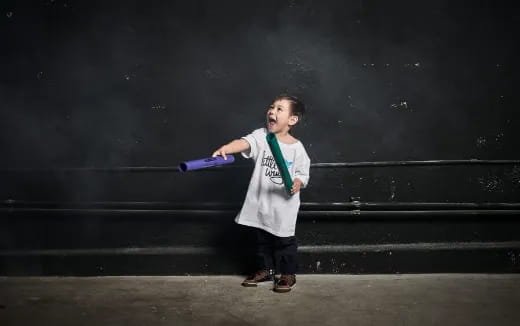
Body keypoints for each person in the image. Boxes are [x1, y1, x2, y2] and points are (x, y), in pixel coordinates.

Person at [212, 94, 311, 293]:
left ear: (292, 120)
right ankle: (265, 270)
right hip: (260, 203)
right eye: (271, 107)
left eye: (279, 109)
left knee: (284, 242)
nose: (272, 111)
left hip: (283, 206)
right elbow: (244, 142)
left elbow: (302, 173)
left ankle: (287, 274)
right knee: (261, 241)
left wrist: (297, 183)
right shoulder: (262, 136)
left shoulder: (297, 148)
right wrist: (227, 148)